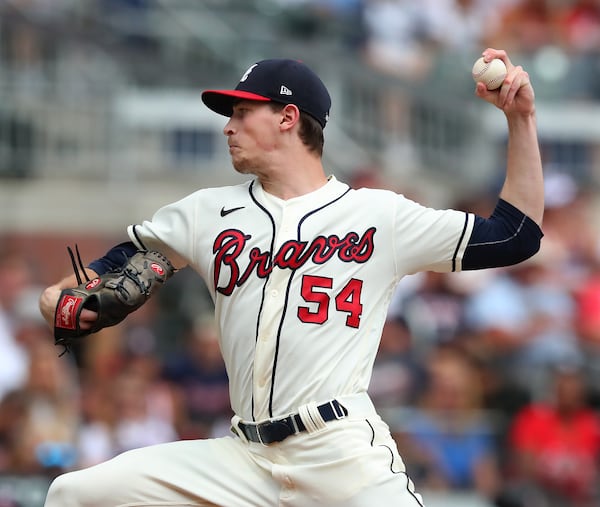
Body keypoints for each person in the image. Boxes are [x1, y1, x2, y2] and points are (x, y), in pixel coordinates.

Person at [39, 48, 543, 506]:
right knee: (76, 494)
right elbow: (108, 267)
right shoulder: (206, 213)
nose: (227, 127)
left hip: (340, 454)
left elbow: (515, 234)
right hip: (243, 459)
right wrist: (57, 297)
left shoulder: (378, 215)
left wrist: (520, 120)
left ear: (287, 117)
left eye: (241, 112)